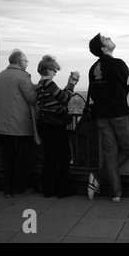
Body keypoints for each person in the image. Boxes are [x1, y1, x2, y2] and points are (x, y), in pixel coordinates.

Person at [87, 33, 129, 203]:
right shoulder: (118, 64)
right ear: (104, 48)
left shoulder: (93, 69)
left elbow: (93, 93)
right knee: (127, 150)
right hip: (119, 114)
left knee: (110, 153)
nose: (110, 38)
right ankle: (100, 179)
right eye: (106, 39)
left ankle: (115, 193)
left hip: (101, 116)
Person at [0, 49, 37, 198]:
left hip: (1, 125)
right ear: (18, 61)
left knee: (7, 158)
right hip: (19, 125)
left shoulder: (0, 76)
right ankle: (18, 188)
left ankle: (7, 190)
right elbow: (31, 98)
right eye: (25, 61)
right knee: (21, 159)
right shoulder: (22, 76)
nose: (26, 64)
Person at [36, 55, 80, 198]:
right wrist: (72, 83)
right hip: (54, 125)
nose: (55, 73)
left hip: (44, 124)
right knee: (65, 154)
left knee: (49, 157)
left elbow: (58, 97)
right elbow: (65, 98)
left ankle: (49, 189)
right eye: (55, 70)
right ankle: (63, 188)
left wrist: (67, 85)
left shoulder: (40, 85)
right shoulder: (49, 83)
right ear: (48, 69)